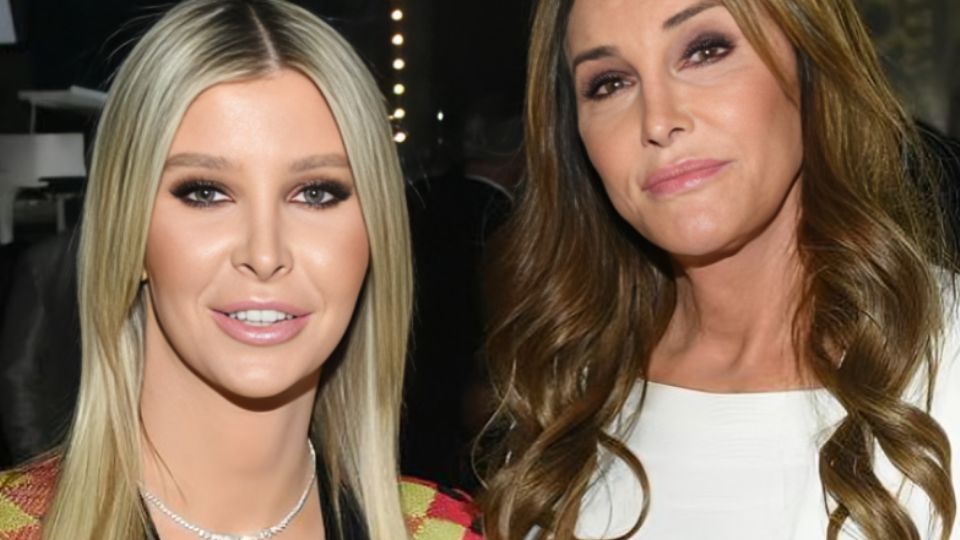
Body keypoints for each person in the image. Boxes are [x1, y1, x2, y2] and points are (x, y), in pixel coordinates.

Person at [0, 1, 481, 539]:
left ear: (375, 234)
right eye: (206, 192)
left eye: (316, 193)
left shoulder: (444, 530)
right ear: (128, 232)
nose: (265, 252)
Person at [480, 0, 960, 539]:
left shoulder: (946, 358)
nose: (658, 121)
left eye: (706, 51)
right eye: (610, 83)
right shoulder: (569, 384)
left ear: (811, 65)